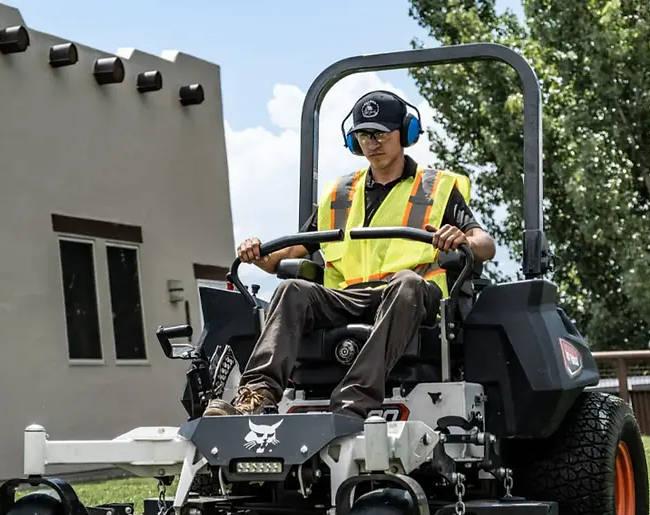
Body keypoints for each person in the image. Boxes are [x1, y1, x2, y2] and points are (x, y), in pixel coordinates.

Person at [204, 90, 496, 419]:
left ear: (407, 133)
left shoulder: (435, 188)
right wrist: (257, 253)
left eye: (381, 133)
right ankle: (255, 397)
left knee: (407, 283)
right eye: (364, 134)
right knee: (290, 290)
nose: (373, 142)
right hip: (349, 299)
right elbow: (282, 257)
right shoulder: (339, 195)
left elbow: (485, 243)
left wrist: (462, 240)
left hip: (409, 299)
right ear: (353, 140)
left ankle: (351, 402)